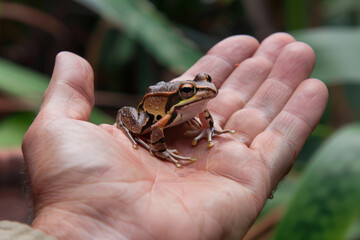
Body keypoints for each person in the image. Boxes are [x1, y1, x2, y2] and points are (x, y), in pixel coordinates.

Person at [1, 33, 328, 240]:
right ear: (180, 93)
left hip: (174, 108)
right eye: (190, 90)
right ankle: (136, 136)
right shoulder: (169, 110)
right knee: (143, 127)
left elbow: (202, 109)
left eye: (203, 84)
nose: (204, 91)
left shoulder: (197, 105)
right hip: (152, 111)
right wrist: (163, 152)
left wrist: (209, 128)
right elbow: (158, 128)